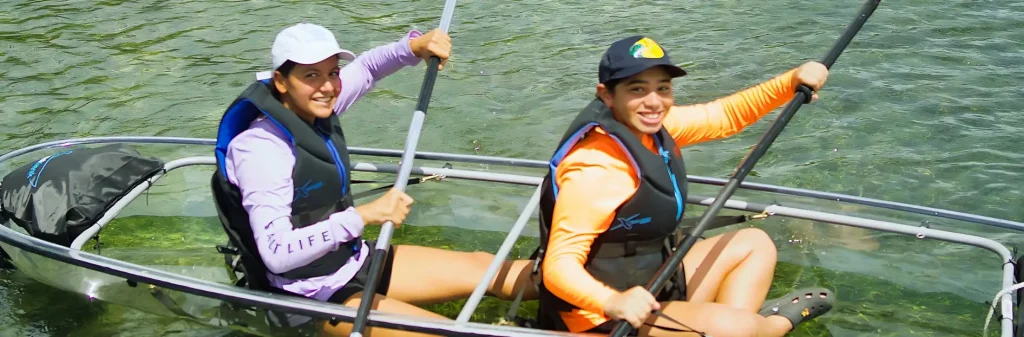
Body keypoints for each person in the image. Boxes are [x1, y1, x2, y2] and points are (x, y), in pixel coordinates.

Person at [210, 22, 536, 337]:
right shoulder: (262, 151)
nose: (327, 86)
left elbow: (367, 68)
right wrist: (364, 216)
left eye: (333, 73)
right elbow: (277, 254)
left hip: (354, 261)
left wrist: (413, 48)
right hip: (311, 298)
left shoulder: (318, 103)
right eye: (311, 75)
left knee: (489, 270)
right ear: (280, 81)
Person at [532, 35, 837, 337]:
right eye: (637, 89)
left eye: (662, 89)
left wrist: (790, 81)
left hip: (655, 283)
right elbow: (558, 266)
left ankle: (737, 327)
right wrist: (612, 301)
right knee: (738, 328)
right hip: (605, 316)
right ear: (607, 95)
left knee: (754, 245)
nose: (654, 102)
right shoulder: (596, 169)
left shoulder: (652, 127)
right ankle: (770, 326)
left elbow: (726, 115)